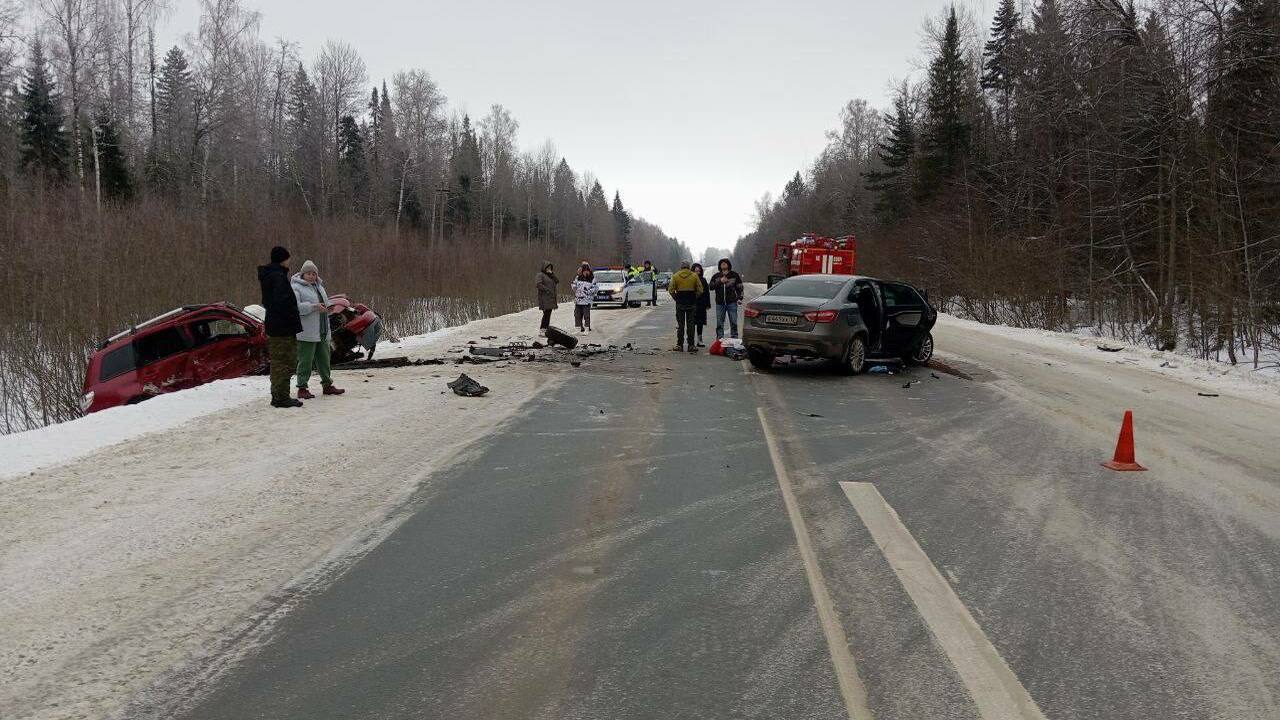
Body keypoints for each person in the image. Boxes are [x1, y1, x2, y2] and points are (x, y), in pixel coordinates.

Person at [258, 246, 304, 408]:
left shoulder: (272, 275)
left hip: (277, 325)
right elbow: (282, 303)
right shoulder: (277, 277)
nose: (289, 261)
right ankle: (280, 397)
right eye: (288, 258)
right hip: (282, 327)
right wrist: (291, 318)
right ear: (283, 259)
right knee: (284, 362)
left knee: (281, 361)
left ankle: (279, 395)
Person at [291, 260, 344, 400]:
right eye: (308, 273)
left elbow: (323, 305)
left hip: (322, 330)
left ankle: (327, 385)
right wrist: (314, 307)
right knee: (305, 361)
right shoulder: (296, 287)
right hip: (306, 332)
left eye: (314, 273)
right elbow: (295, 308)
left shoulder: (319, 286)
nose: (311, 276)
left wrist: (328, 308)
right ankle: (302, 388)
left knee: (324, 360)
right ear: (303, 274)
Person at [667, 260, 704, 353]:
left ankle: (679, 345)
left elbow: (670, 290)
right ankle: (691, 345)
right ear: (689, 267)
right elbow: (700, 290)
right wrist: (694, 297)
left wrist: (677, 298)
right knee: (691, 325)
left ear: (681, 267)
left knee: (680, 325)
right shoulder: (694, 276)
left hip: (680, 303)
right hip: (691, 303)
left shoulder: (675, 276)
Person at [710, 257, 744, 339]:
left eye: (725, 263)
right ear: (719, 266)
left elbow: (740, 287)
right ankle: (719, 339)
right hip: (720, 303)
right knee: (719, 323)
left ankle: (734, 338)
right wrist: (720, 281)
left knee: (733, 322)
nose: (723, 264)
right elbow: (711, 286)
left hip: (731, 302)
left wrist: (740, 298)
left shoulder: (734, 275)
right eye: (722, 263)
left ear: (728, 265)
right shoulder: (716, 276)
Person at [572, 263, 597, 333]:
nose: (586, 272)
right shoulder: (578, 277)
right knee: (577, 315)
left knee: (586, 315)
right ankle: (578, 327)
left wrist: (589, 291)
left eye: (587, 270)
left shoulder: (592, 279)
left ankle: (587, 328)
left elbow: (595, 288)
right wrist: (574, 287)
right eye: (584, 270)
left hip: (586, 300)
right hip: (578, 299)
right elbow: (574, 284)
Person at [536, 261, 558, 336]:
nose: (549, 269)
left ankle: (545, 329)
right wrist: (547, 290)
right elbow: (538, 284)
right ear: (544, 267)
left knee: (548, 314)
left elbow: (557, 281)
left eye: (550, 268)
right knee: (546, 314)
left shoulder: (550, 276)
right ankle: (542, 330)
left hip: (551, 298)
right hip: (544, 298)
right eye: (547, 267)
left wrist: (552, 274)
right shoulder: (540, 275)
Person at [692, 262, 711, 347]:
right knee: (691, 323)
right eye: (695, 271)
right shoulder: (690, 280)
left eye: (699, 271)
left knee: (700, 323)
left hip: (701, 304)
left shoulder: (703, 280)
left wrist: (708, 304)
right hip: (692, 303)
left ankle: (700, 339)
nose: (697, 273)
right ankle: (691, 340)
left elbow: (707, 293)